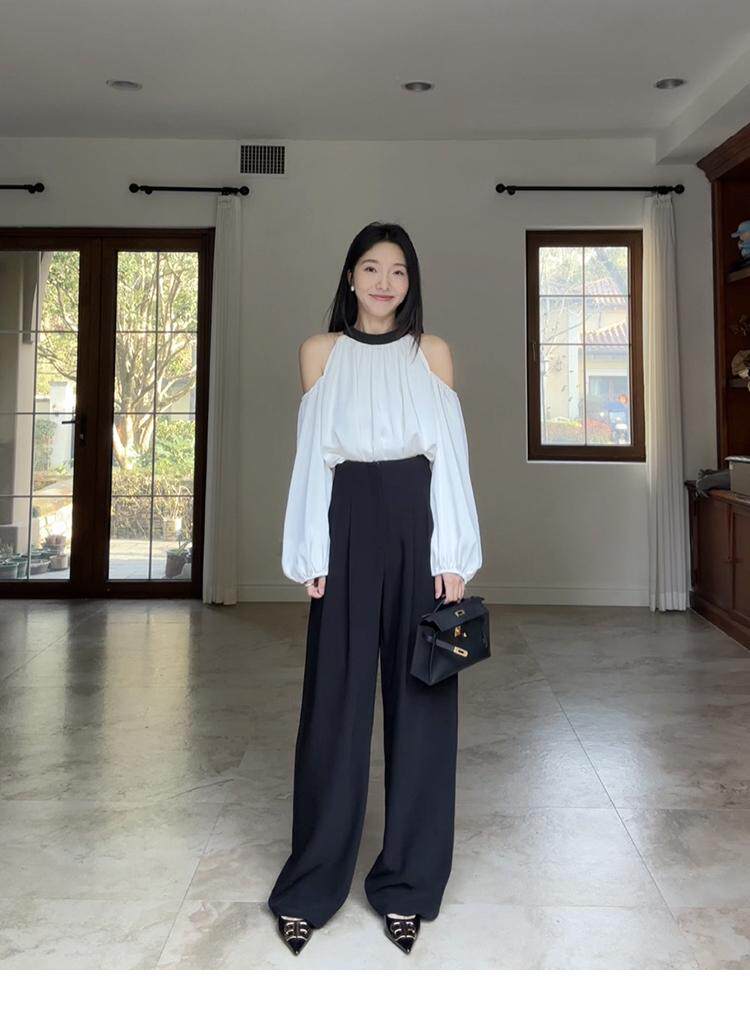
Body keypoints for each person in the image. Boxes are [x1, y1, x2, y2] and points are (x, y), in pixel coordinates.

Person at [268, 221, 482, 956]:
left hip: (420, 524)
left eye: (397, 270)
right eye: (371, 267)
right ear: (351, 277)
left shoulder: (433, 353)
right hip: (347, 521)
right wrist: (310, 549)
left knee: (424, 704)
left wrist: (454, 556)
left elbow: (450, 458)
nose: (384, 282)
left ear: (410, 282)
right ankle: (310, 886)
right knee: (334, 706)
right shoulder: (319, 353)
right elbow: (311, 459)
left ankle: (408, 886)